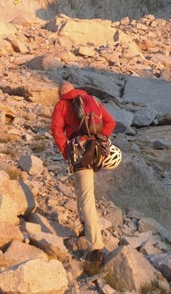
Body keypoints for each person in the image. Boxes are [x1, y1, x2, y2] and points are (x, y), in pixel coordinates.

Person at [51, 81, 116, 264]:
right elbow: (111, 122)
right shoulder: (92, 100)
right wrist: (99, 139)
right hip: (96, 153)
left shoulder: (62, 105)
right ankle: (85, 226)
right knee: (82, 190)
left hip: (79, 154)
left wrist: (67, 152)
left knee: (86, 196)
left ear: (60, 92)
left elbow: (56, 131)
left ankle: (96, 247)